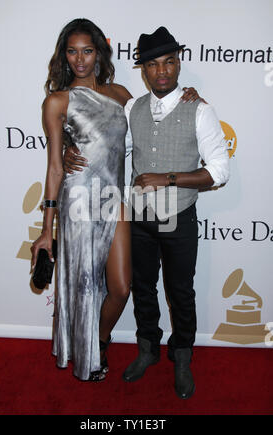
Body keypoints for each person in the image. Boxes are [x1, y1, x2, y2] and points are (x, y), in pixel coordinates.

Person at [64, 26, 229, 398]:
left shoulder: (200, 109)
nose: (162, 72)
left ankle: (182, 357)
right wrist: (66, 152)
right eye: (153, 65)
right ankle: (147, 350)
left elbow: (219, 171)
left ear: (179, 63)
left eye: (169, 62)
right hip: (138, 217)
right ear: (143, 70)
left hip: (179, 217)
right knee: (143, 289)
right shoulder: (132, 107)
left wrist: (168, 178)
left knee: (181, 292)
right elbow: (108, 148)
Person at [31, 18, 133, 382]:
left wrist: (189, 100)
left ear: (99, 53)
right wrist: (47, 230)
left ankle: (99, 339)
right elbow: (56, 168)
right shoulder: (57, 101)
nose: (80, 59)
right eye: (72, 52)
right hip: (78, 200)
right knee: (87, 283)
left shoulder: (120, 94)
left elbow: (154, 122)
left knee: (121, 286)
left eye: (87, 51)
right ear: (64, 55)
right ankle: (89, 350)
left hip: (114, 197)